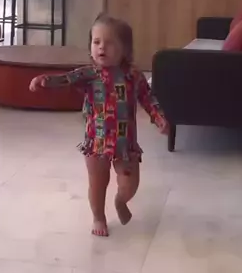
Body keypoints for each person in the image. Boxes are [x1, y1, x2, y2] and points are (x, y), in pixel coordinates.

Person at [29, 14, 169, 236]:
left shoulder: (134, 76)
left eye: (110, 43)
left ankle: (120, 201)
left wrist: (159, 117)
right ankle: (98, 217)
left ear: (125, 50)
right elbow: (65, 79)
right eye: (96, 42)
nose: (102, 47)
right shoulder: (88, 74)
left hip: (125, 143)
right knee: (97, 183)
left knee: (130, 183)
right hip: (96, 142)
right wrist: (45, 80)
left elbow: (148, 99)